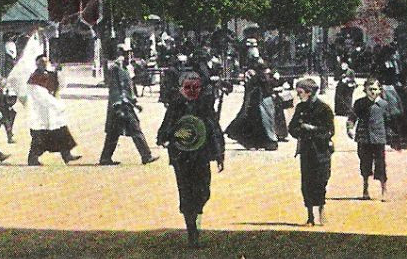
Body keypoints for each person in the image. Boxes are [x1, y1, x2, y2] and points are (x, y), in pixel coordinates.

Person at [155, 71, 225, 248]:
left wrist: (219, 155)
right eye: (188, 87)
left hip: (201, 156)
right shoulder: (175, 107)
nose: (192, 90)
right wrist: (180, 134)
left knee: (204, 192)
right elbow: (163, 134)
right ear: (181, 89)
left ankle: (195, 221)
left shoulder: (205, 107)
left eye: (196, 87)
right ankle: (192, 231)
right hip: (182, 157)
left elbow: (215, 131)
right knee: (186, 194)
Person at [287, 77, 334, 226]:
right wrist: (301, 131)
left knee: (321, 180)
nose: (298, 95)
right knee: (307, 182)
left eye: (300, 92)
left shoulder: (324, 109)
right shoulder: (300, 108)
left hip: (321, 150)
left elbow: (329, 130)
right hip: (306, 150)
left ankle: (321, 210)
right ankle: (310, 216)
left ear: (309, 92)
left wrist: (312, 129)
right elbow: (292, 128)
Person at [99, 52, 157, 166]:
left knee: (113, 132)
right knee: (134, 129)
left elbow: (128, 88)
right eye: (126, 54)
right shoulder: (115, 69)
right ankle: (146, 156)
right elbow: (115, 89)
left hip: (125, 104)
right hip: (121, 106)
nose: (128, 57)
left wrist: (135, 103)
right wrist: (118, 105)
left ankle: (105, 158)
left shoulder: (124, 69)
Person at [24, 56, 80, 165]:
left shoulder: (49, 74)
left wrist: (60, 73)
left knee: (61, 131)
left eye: (46, 62)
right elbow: (41, 96)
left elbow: (61, 86)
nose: (44, 64)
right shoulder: (35, 78)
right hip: (40, 112)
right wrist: (57, 105)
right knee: (40, 137)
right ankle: (33, 158)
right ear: (37, 64)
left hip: (51, 112)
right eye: (41, 62)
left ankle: (66, 155)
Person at [347, 78, 391, 201]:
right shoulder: (359, 103)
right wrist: (349, 128)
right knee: (365, 163)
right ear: (365, 90)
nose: (372, 91)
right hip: (364, 138)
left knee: (381, 164)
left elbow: (389, 122)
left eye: (375, 89)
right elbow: (352, 117)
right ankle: (365, 188)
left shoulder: (384, 105)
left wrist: (391, 136)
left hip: (379, 139)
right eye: (369, 89)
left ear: (379, 90)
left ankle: (384, 189)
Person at [225, 65, 280, 151]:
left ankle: (267, 142)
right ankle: (256, 143)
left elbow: (270, 84)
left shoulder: (267, 72)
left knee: (265, 121)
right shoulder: (253, 74)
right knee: (253, 121)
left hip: (263, 100)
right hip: (255, 101)